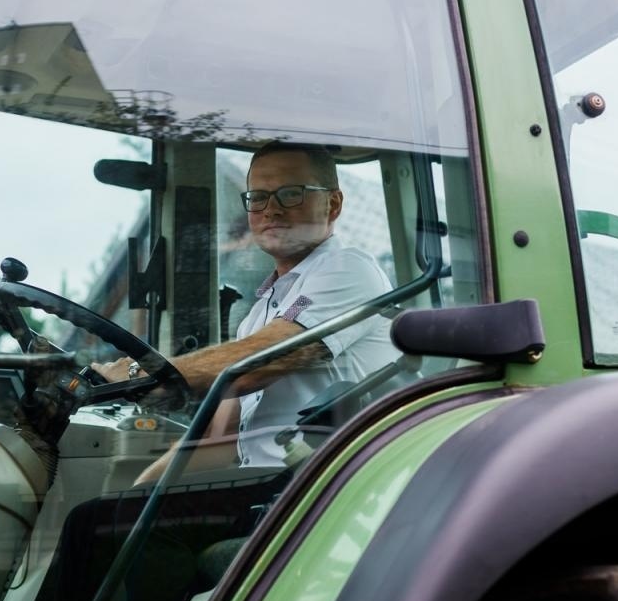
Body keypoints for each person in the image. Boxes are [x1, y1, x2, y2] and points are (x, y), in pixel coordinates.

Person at [92, 141, 398, 477]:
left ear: (333, 203)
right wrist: (139, 493)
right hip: (267, 488)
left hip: (327, 488)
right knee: (101, 518)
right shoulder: (259, 314)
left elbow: (256, 364)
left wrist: (142, 373)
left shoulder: (351, 270)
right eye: (258, 198)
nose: (272, 210)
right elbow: (216, 438)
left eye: (290, 193)